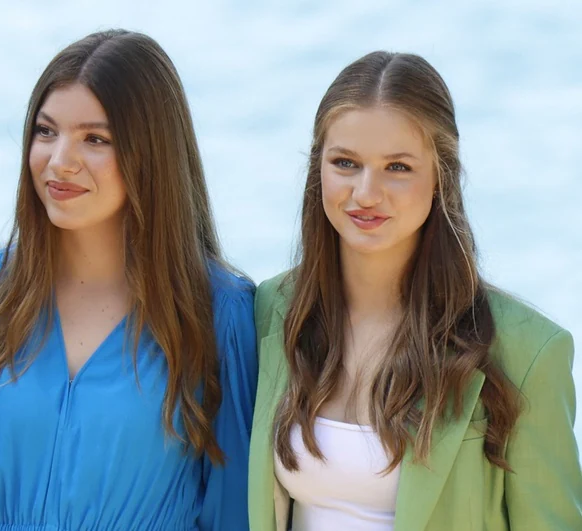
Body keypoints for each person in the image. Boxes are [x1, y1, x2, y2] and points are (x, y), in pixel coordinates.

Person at [0, 29, 257, 531]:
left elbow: (232, 515)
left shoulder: (218, 315)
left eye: (95, 139)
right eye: (46, 131)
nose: (59, 161)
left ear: (152, 154)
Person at [248, 51, 582, 531]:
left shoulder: (527, 352)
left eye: (398, 167)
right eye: (345, 163)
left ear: (440, 176)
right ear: (316, 167)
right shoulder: (272, 310)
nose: (366, 192)